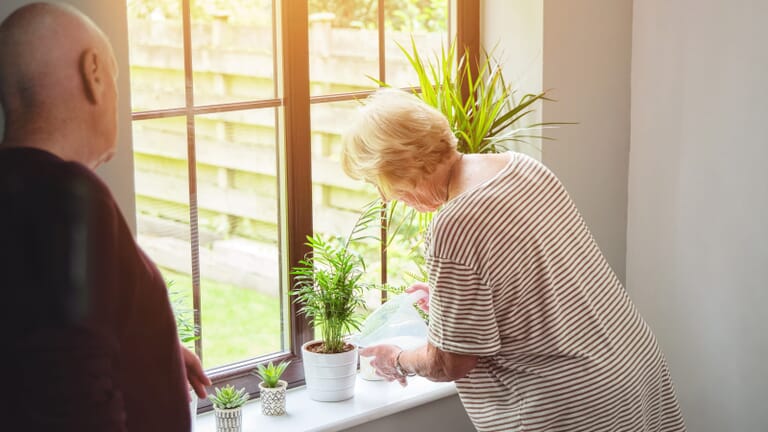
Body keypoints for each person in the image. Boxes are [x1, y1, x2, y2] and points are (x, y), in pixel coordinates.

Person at [344, 88, 687, 432]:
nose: (388, 196)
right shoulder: (521, 168)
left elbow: (449, 363)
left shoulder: (454, 223)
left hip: (570, 405)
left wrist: (398, 360)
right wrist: (455, 311)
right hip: (633, 367)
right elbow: (543, 282)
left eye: (381, 183)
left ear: (399, 167)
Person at [0, 3, 210, 430]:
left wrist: (151, 351)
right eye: (114, 76)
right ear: (93, 72)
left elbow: (34, 348)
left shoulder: (18, 191)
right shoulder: (67, 194)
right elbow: (72, 405)